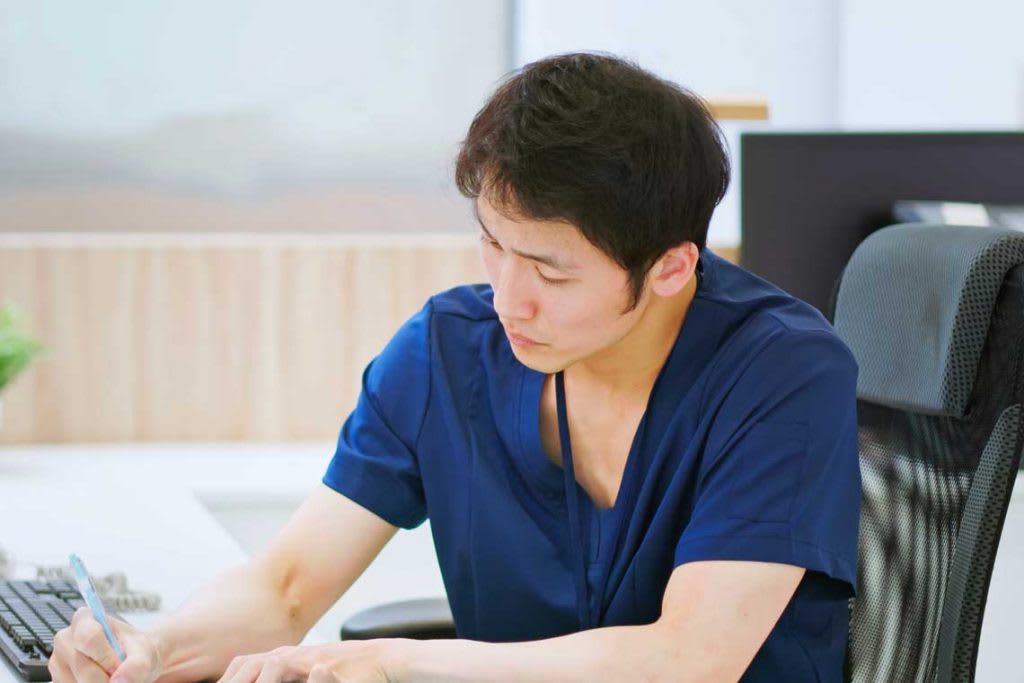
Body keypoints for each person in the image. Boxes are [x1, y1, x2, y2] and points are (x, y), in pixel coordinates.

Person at [50, 52, 861, 683]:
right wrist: (154, 647)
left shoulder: (782, 373)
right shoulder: (447, 349)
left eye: (550, 271)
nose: (510, 299)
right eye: (493, 244)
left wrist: (394, 661)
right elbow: (287, 587)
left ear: (672, 269)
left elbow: (691, 659)